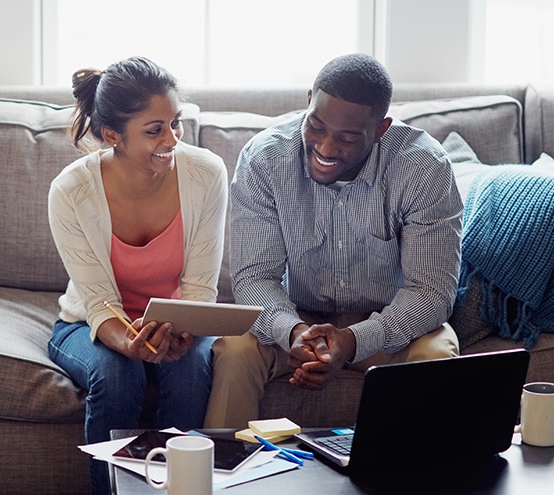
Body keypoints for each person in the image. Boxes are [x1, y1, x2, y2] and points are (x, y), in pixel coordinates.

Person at [204, 53, 463, 429]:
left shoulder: (423, 169)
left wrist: (353, 341)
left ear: (380, 129)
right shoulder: (265, 159)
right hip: (298, 321)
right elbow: (253, 278)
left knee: (437, 353)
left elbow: (432, 292)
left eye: (347, 138)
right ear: (309, 100)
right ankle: (224, 479)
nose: (326, 148)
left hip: (385, 327)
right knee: (235, 348)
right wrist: (292, 332)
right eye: (317, 126)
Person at [47, 56, 228, 494]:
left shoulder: (206, 174)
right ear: (113, 136)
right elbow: (98, 303)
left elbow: (201, 287)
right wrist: (129, 341)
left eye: (175, 123)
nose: (172, 139)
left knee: (191, 367)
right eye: (154, 130)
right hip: (91, 325)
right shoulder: (71, 192)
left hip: (177, 318)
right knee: (117, 373)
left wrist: (185, 328)